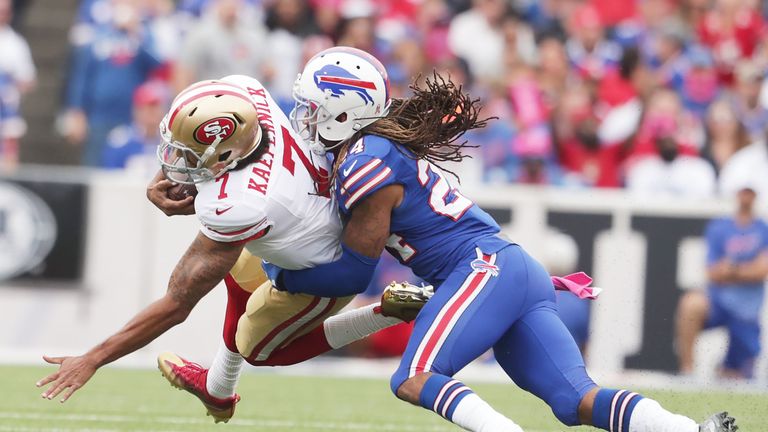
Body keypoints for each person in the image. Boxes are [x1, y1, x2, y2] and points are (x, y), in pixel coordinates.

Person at [266, 46, 737, 432]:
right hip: (511, 268)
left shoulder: (365, 159)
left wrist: (277, 269)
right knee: (578, 401)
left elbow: (353, 270)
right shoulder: (374, 148)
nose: (305, 117)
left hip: (480, 268)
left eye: (314, 107)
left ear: (343, 112)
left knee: (413, 377)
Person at [36, 75, 428, 422]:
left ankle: (384, 312)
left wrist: (93, 358)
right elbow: (204, 145)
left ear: (226, 155)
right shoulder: (246, 96)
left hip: (322, 269)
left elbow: (177, 303)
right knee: (238, 264)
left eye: (185, 155)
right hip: (300, 216)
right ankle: (218, 389)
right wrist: (178, 173)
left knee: (259, 349)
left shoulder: (238, 205)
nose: (173, 159)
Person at [676, 183, 768, 379]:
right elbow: (712, 271)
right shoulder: (719, 227)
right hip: (718, 301)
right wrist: (746, 269)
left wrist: (732, 269)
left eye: (750, 192)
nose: (746, 196)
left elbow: (762, 271)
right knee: (691, 303)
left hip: (747, 311)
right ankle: (687, 371)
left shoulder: (763, 229)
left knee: (737, 377)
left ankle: (726, 368)